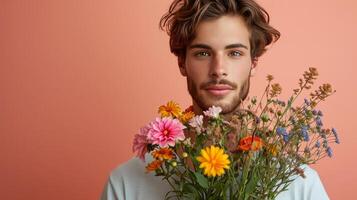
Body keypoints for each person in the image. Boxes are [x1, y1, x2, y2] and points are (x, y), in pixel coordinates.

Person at [101, 0, 330, 199]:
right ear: (182, 63)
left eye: (235, 53)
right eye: (203, 53)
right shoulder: (125, 183)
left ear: (253, 63)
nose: (219, 70)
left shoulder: (300, 184)